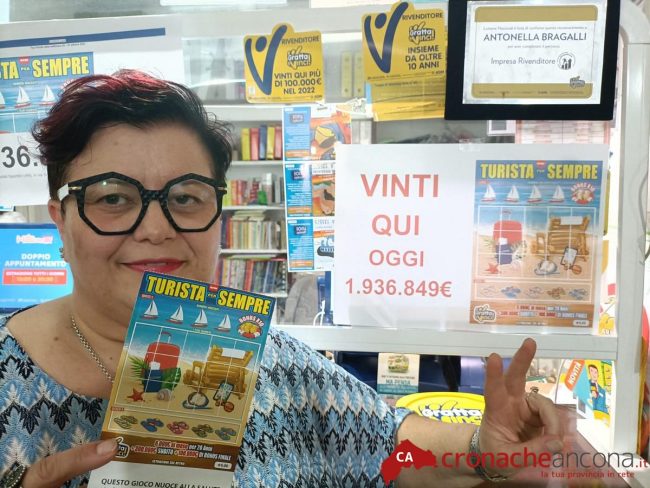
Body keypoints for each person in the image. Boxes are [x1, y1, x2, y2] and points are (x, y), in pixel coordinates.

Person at [0, 70, 563, 488]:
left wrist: (481, 448)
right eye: (113, 198)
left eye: (186, 197)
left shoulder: (266, 359)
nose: (154, 229)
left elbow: (387, 444)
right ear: (59, 218)